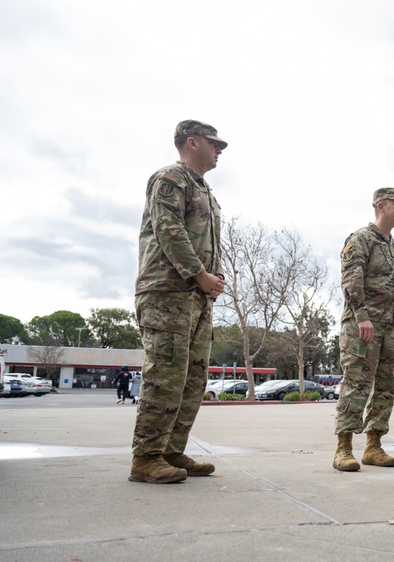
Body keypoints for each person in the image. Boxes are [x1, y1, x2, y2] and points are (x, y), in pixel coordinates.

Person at [130, 120, 227, 484]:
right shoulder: (171, 178)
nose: (219, 150)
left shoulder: (205, 189)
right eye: (214, 143)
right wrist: (199, 274)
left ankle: (171, 451)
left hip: (196, 297)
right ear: (192, 143)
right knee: (166, 374)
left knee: (192, 378)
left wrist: (210, 281)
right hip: (167, 292)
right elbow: (168, 230)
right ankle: (146, 457)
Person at [333, 188, 394, 472]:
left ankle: (373, 446)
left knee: (385, 388)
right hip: (361, 326)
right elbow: (351, 280)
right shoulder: (361, 239)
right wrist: (362, 316)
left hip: (389, 328)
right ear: (381, 206)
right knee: (356, 384)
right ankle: (343, 449)